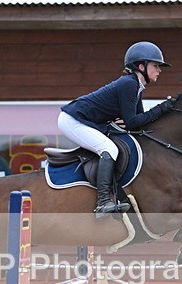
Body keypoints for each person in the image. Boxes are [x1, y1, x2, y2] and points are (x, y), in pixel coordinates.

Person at [58, 41, 174, 219]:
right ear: (141, 66)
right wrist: (161, 108)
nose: (160, 70)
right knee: (109, 149)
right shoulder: (129, 84)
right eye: (156, 65)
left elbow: (138, 124)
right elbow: (133, 122)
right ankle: (103, 202)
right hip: (73, 120)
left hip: (86, 120)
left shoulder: (136, 86)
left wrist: (164, 114)